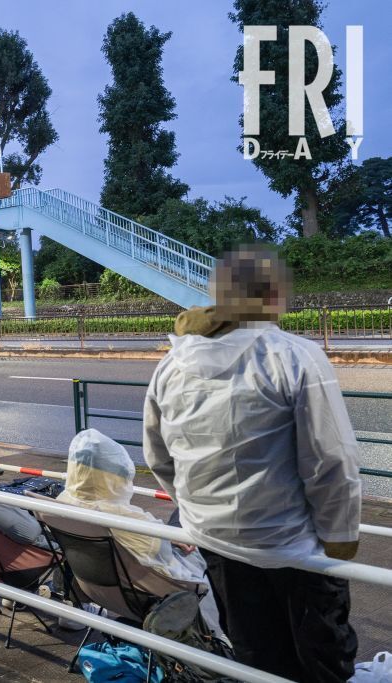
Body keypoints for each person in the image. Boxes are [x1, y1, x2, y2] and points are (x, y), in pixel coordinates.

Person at [143, 247, 361, 682]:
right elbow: (331, 461)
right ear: (274, 296)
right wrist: (340, 538)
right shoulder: (294, 356)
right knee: (322, 656)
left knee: (255, 654)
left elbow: (157, 456)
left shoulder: (172, 364)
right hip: (294, 549)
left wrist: (197, 509)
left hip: (215, 541)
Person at [57, 429, 224, 636]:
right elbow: (160, 555)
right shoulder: (126, 519)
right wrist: (168, 538)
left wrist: (164, 537)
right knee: (185, 517)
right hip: (146, 594)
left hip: (95, 588)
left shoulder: (60, 506)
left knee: (179, 520)